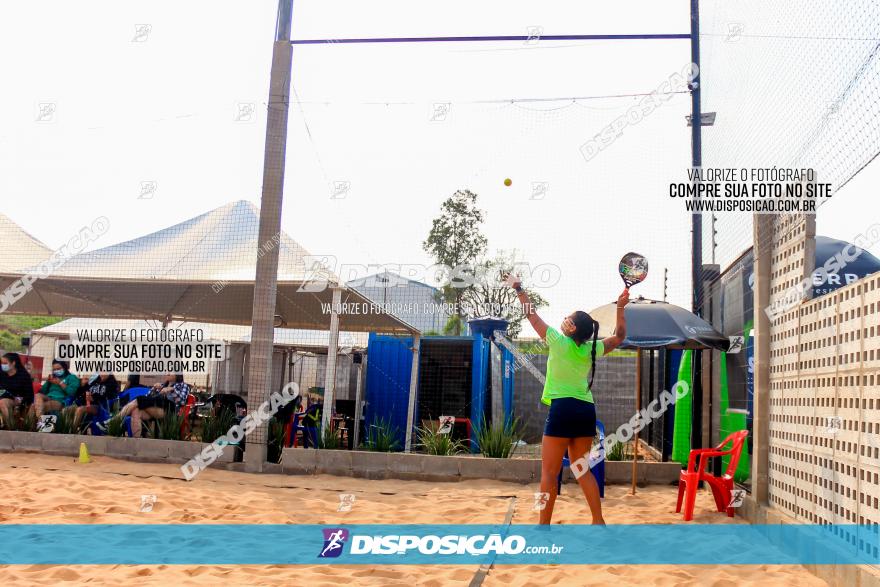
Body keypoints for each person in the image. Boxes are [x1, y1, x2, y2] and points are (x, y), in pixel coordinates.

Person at [508, 274, 628, 525]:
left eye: (567, 318)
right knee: (581, 468)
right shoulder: (589, 349)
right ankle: (598, 520)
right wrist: (620, 308)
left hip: (563, 408)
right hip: (586, 409)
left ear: (571, 327)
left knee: (549, 473)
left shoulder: (557, 341)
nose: (563, 320)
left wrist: (518, 288)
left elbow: (531, 315)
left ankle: (543, 527)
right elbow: (619, 337)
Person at [118, 373, 190, 437]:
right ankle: (136, 443)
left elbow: (182, 401)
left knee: (139, 400)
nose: (167, 372)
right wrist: (154, 389)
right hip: (157, 408)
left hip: (170, 410)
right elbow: (148, 397)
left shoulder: (184, 385)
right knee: (136, 410)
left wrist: (172, 390)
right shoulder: (162, 385)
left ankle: (115, 420)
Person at [0, 353, 35, 428]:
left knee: (2, 402)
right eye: (2, 363)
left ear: (13, 363)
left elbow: (30, 396)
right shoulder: (1, 374)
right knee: (2, 401)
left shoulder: (23, 376)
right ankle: (8, 425)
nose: (2, 365)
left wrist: (21, 400)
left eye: (5, 363)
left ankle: (13, 427)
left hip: (21, 403)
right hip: (5, 399)